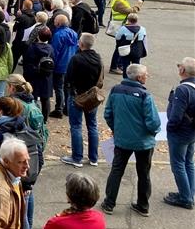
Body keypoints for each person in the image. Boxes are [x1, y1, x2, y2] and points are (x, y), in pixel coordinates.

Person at [100, 64, 161, 217]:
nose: (147, 76)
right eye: (146, 74)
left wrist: (116, 129)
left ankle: (109, 203)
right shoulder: (145, 95)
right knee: (144, 173)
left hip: (122, 140)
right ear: (139, 77)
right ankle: (143, 205)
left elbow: (108, 114)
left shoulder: (115, 90)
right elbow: (153, 122)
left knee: (117, 170)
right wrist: (154, 132)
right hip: (143, 142)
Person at [61, 33, 103, 168]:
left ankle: (77, 157)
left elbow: (68, 79)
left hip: (77, 95)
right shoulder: (98, 58)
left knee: (76, 126)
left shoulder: (76, 59)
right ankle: (93, 157)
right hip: (92, 96)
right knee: (92, 125)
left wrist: (69, 91)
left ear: (81, 43)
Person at [165, 57, 195, 209]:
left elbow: (176, 116)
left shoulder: (183, 90)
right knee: (189, 163)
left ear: (183, 70)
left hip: (180, 133)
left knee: (178, 164)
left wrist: (170, 128)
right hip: (191, 132)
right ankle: (189, 193)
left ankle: (185, 198)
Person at [22, 26, 55, 121]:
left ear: (38, 36)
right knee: (46, 99)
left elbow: (27, 62)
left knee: (33, 97)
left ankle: (33, 117)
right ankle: (45, 118)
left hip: (33, 75)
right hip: (46, 76)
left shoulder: (32, 47)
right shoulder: (50, 48)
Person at [50, 16, 79, 118]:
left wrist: (52, 64)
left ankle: (59, 109)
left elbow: (55, 52)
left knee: (59, 87)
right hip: (70, 64)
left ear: (58, 23)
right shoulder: (73, 33)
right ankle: (67, 108)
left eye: (54, 21)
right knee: (66, 87)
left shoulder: (58, 35)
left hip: (60, 65)